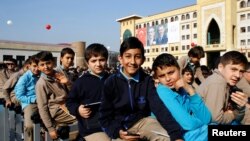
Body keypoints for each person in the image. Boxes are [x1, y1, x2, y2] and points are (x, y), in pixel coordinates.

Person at [99, 37, 183, 141]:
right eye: (128, 56)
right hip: (120, 128)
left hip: (144, 122)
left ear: (143, 59)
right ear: (120, 58)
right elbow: (104, 117)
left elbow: (159, 108)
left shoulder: (147, 81)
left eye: (137, 57)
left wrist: (176, 135)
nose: (132, 61)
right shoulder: (111, 82)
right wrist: (117, 132)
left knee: (167, 138)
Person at [152, 53, 211, 141]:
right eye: (162, 76)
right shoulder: (163, 91)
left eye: (171, 72)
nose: (168, 79)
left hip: (191, 133)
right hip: (174, 136)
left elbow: (206, 118)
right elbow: (188, 124)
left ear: (179, 70)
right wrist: (202, 123)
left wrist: (190, 90)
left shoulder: (181, 89)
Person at [66, 43, 110, 141]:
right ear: (87, 63)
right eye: (93, 61)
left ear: (106, 60)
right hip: (91, 129)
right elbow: (70, 102)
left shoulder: (113, 80)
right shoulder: (81, 82)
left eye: (101, 60)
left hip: (112, 124)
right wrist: (78, 109)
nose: (98, 64)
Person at [196, 51, 249, 125]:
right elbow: (215, 118)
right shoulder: (218, 82)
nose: (238, 75)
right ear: (220, 67)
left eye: (241, 71)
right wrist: (233, 114)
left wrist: (240, 108)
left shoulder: (226, 83)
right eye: (233, 69)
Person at [35, 51, 76, 140]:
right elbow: (42, 107)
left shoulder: (58, 73)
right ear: (38, 67)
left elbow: (74, 91)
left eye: (48, 63)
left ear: (53, 62)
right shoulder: (41, 84)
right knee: (81, 118)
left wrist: (68, 83)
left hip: (67, 104)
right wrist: (50, 128)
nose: (46, 67)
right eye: (42, 65)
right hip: (57, 109)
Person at [14, 55, 40, 141]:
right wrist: (33, 100)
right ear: (29, 66)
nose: (37, 68)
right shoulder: (24, 78)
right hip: (29, 102)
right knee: (29, 126)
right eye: (34, 66)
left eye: (38, 66)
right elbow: (19, 96)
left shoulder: (42, 76)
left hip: (42, 101)